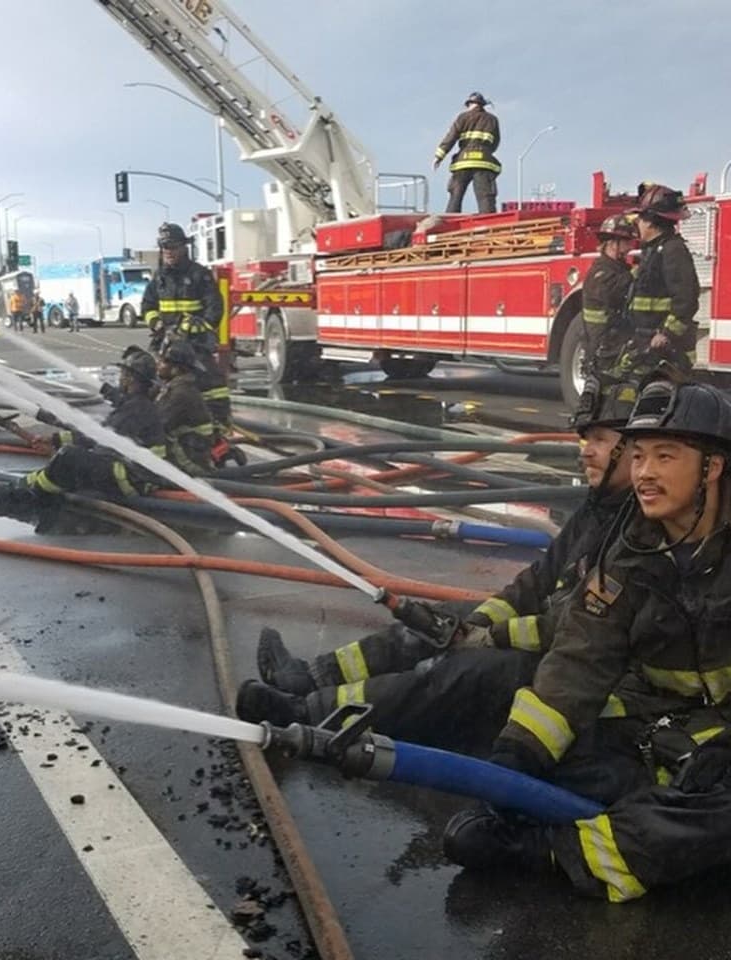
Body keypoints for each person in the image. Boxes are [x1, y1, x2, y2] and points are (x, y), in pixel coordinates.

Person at [443, 376, 731, 902]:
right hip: (661, 730)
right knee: (552, 741)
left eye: (665, 457)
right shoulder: (630, 551)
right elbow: (580, 658)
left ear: (711, 468)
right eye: (639, 456)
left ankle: (546, 852)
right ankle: (642, 827)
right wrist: (517, 761)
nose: (644, 473)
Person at [236, 379, 636, 748]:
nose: (585, 451)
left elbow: (577, 631)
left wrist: (487, 638)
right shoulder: (599, 508)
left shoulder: (641, 533)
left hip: (591, 672)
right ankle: (311, 678)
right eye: (585, 439)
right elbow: (539, 579)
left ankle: (310, 714)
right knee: (435, 622)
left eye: (599, 440)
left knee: (461, 673)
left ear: (638, 450)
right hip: (554, 641)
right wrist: (479, 621)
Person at [0, 350, 166, 526]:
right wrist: (55, 439)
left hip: (134, 477)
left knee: (69, 458)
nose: (120, 378)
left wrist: (60, 442)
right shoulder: (136, 405)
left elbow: (99, 438)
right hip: (132, 472)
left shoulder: (137, 408)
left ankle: (18, 498)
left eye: (123, 374)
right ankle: (16, 492)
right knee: (71, 461)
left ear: (131, 379)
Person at [141, 222, 233, 440]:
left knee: (211, 383)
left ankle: (219, 429)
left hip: (194, 343)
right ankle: (153, 425)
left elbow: (215, 307)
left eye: (172, 246)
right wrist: (156, 324)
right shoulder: (159, 277)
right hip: (166, 342)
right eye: (164, 247)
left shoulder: (200, 275)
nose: (168, 251)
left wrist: (198, 326)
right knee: (147, 377)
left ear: (184, 247)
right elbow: (147, 306)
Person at [609, 183, 700, 383]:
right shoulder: (653, 251)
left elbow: (686, 299)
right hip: (647, 343)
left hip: (667, 351)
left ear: (650, 222)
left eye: (640, 218)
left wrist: (666, 334)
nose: (638, 224)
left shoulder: (673, 250)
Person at [581, 215, 637, 382]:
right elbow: (613, 292)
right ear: (612, 243)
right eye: (626, 242)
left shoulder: (618, 270)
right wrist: (636, 273)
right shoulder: (600, 273)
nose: (629, 247)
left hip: (616, 344)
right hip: (604, 346)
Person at [432, 92, 501, 215]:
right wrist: (485, 152)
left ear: (470, 104)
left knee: (455, 196)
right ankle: (488, 225)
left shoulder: (463, 117)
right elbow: (495, 143)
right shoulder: (492, 120)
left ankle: (451, 222)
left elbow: (451, 137)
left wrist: (439, 156)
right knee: (485, 198)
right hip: (483, 164)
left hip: (463, 163)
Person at [155, 339, 215, 477]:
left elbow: (157, 424)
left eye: (163, 362)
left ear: (176, 369)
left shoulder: (180, 393)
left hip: (188, 460)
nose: (158, 365)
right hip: (191, 451)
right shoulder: (178, 386)